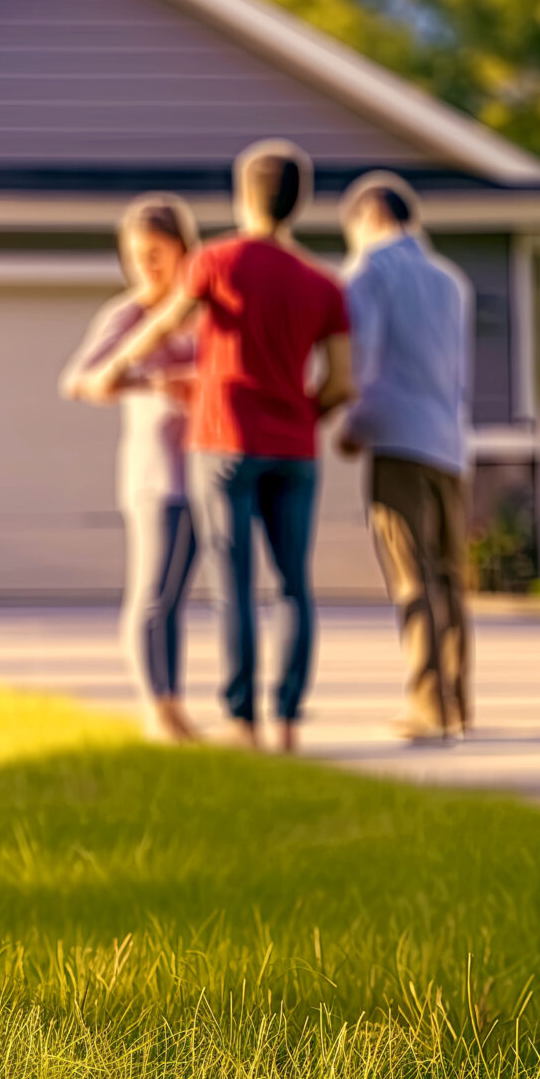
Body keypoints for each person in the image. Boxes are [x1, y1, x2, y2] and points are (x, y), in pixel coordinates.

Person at [77, 139, 355, 753]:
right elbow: (339, 382)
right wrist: (302, 415)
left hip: (225, 441)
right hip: (296, 451)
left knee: (234, 584)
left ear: (241, 196)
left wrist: (114, 367)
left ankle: (242, 722)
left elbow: (167, 322)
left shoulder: (216, 261)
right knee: (292, 587)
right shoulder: (325, 285)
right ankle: (286, 723)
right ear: (300, 203)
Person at [336, 171, 475, 744]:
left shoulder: (367, 273)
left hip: (396, 437)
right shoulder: (450, 281)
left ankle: (426, 704)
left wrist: (352, 426)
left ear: (366, 220)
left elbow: (362, 362)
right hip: (450, 442)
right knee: (449, 577)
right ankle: (457, 702)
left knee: (410, 575)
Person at [61, 195, 202, 742]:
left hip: (202, 473)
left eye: (157, 255)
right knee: (152, 594)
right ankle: (155, 707)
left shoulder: (202, 314)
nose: (146, 267)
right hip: (154, 475)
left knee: (178, 597)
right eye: (135, 256)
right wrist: (148, 382)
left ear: (184, 252)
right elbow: (79, 381)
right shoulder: (127, 316)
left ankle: (173, 702)